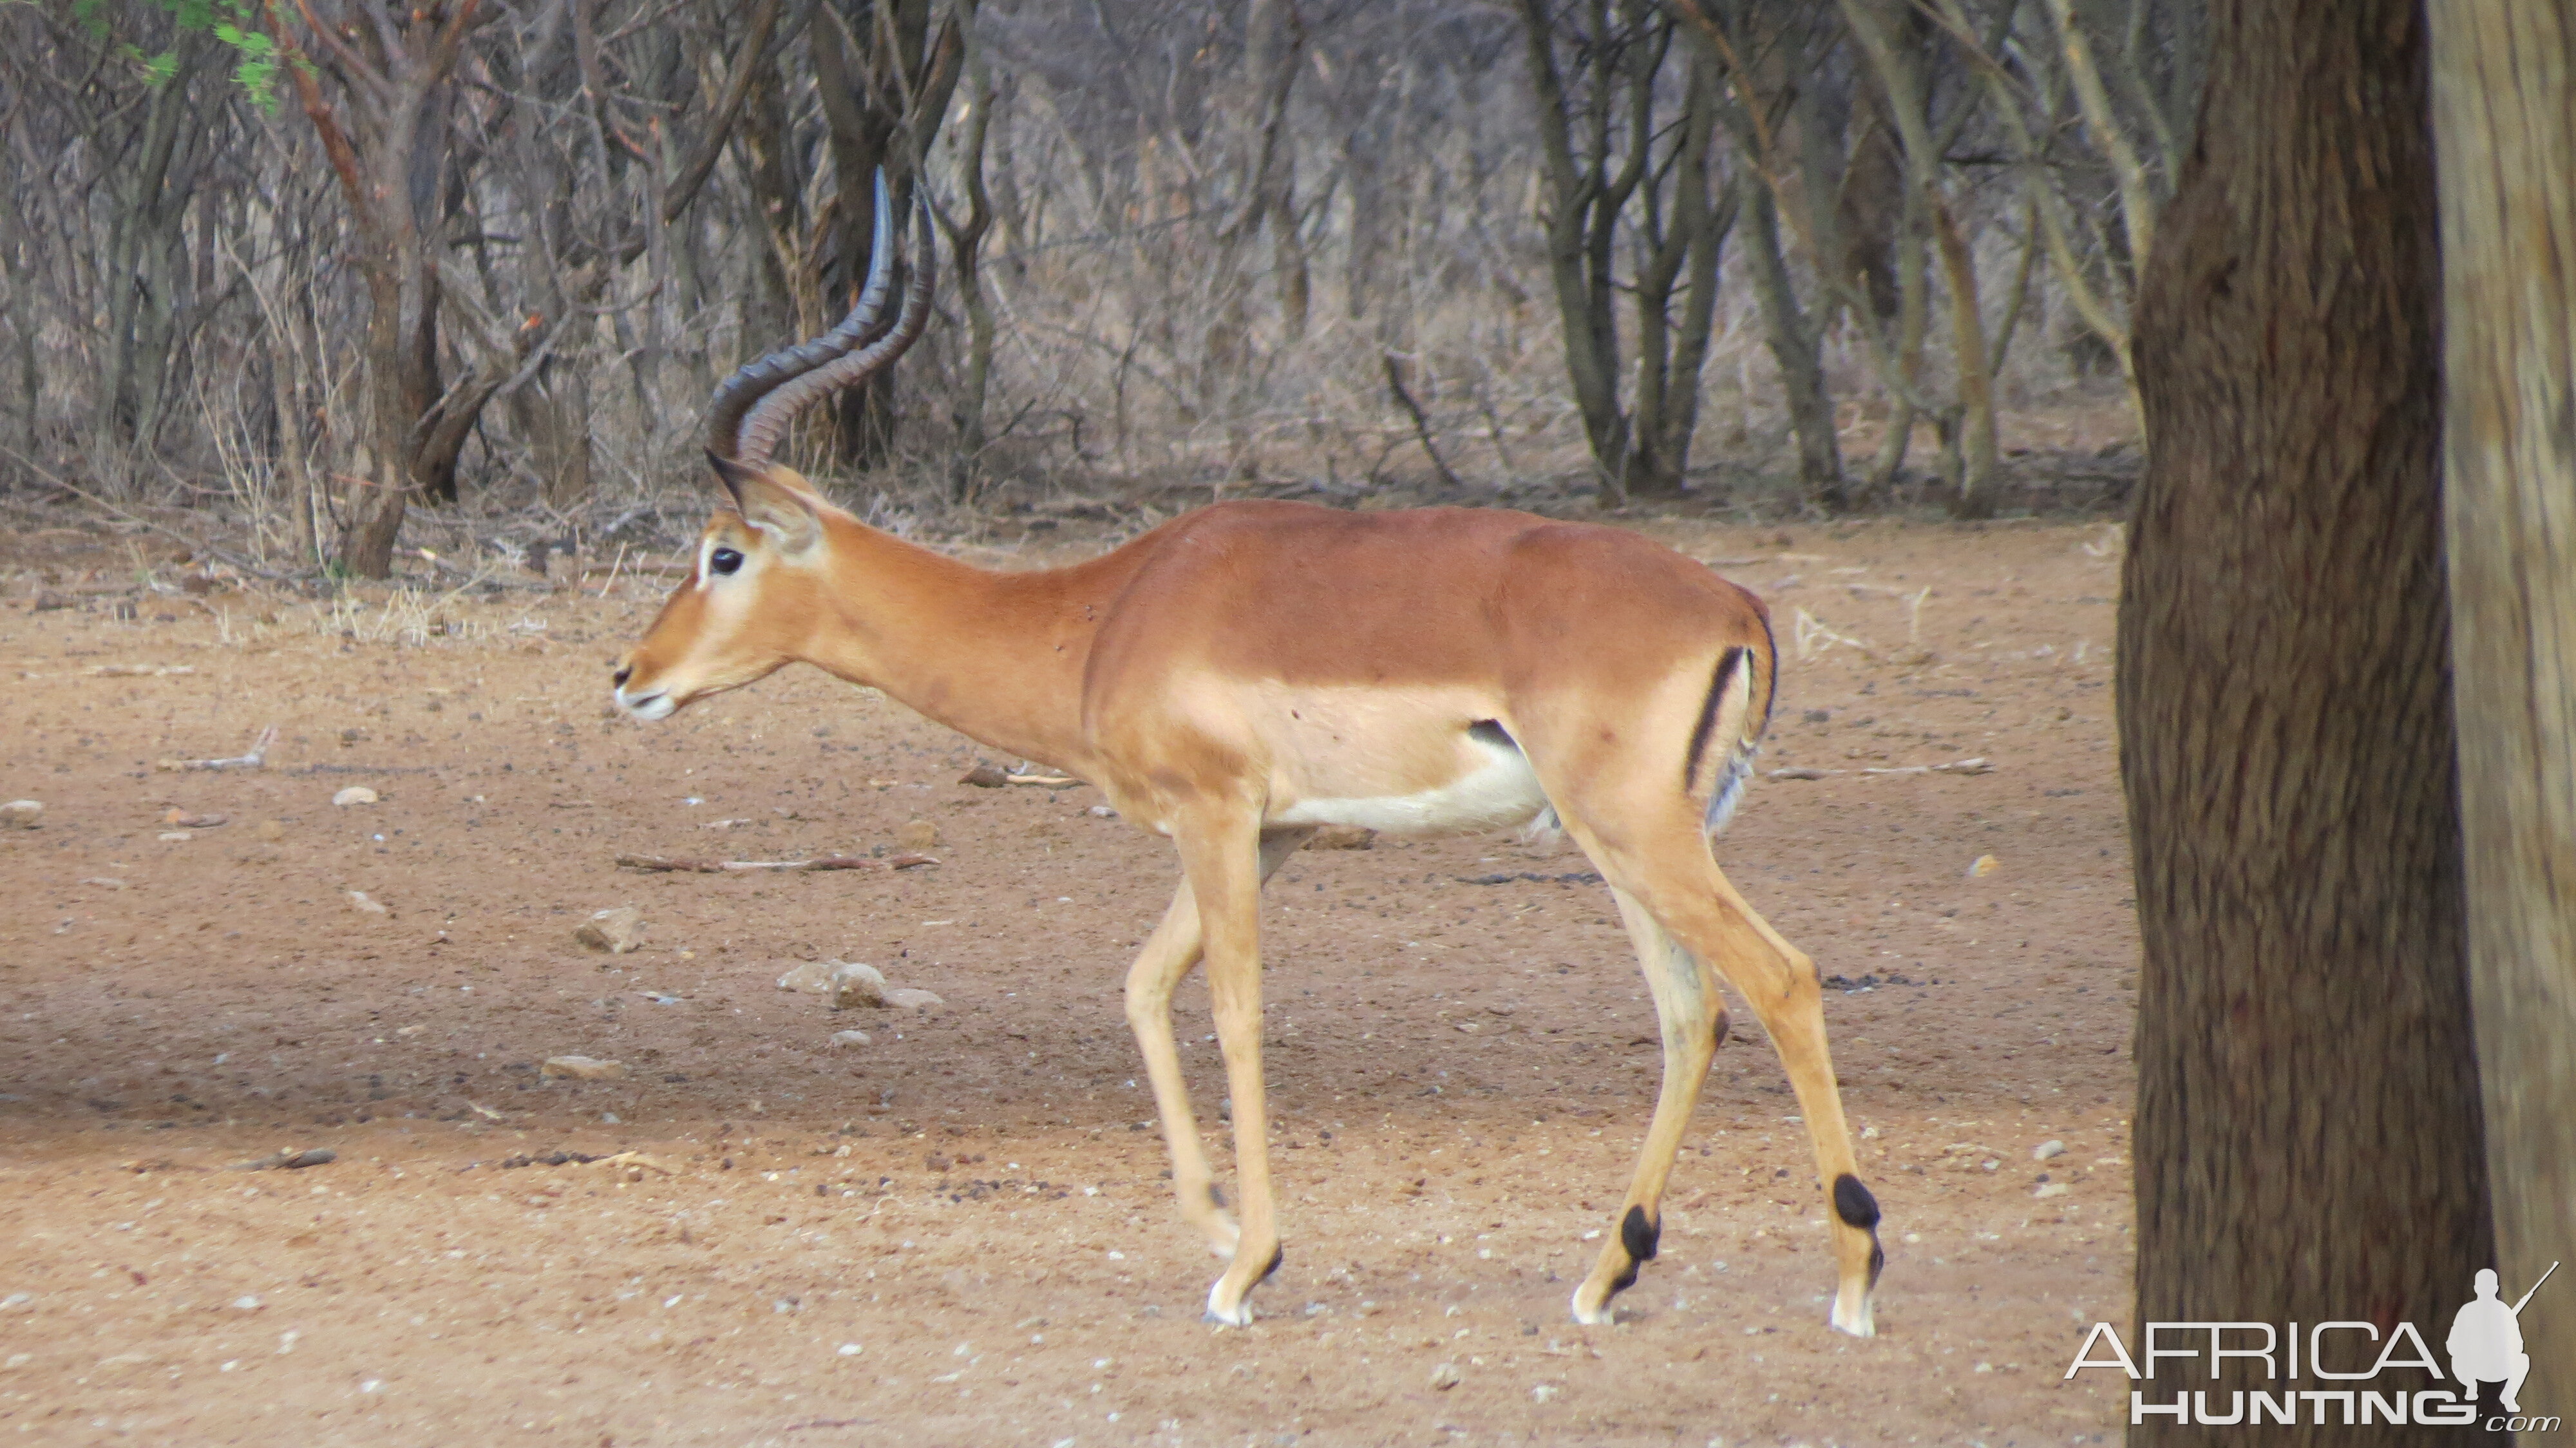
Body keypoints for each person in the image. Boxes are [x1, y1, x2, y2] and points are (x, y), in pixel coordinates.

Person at [2450, 1268, 2532, 1413]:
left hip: (2498, 1367)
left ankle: (2508, 1396)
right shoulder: (2467, 1311)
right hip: (2472, 1368)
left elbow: (2518, 1345)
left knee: (2523, 1360)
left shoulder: (2505, 1312)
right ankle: (2471, 1387)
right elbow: (2453, 1344)